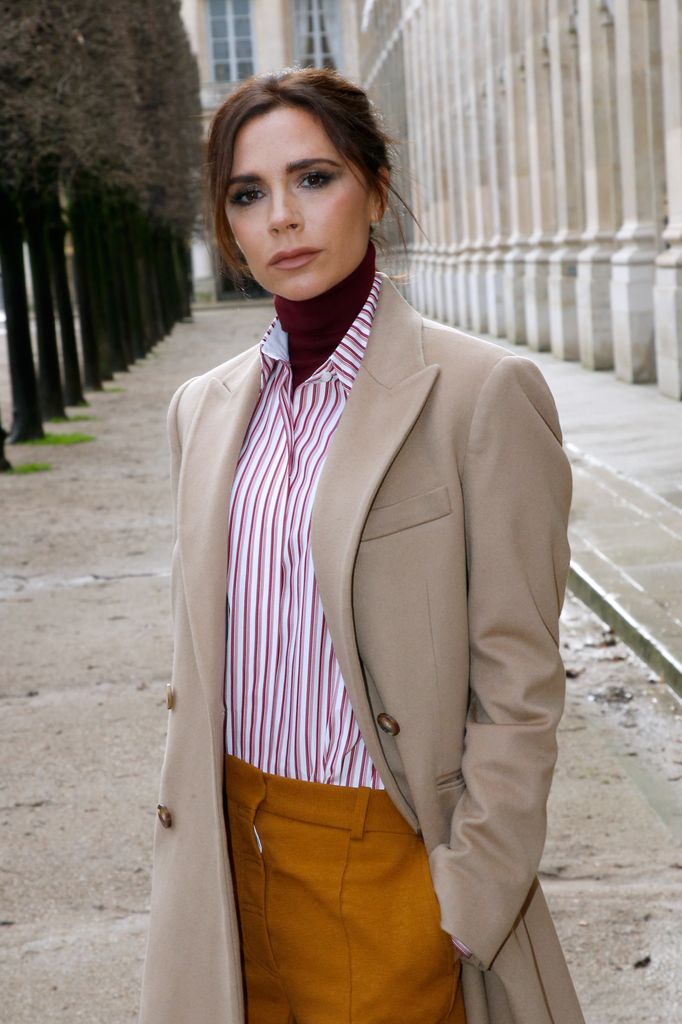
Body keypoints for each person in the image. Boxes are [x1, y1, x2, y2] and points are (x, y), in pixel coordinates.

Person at [138, 67, 585, 1024]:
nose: (282, 219)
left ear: (376, 189)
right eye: (249, 194)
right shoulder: (202, 410)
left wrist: (467, 900)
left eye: (314, 178)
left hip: (388, 868)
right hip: (226, 869)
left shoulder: (480, 395)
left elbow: (518, 676)